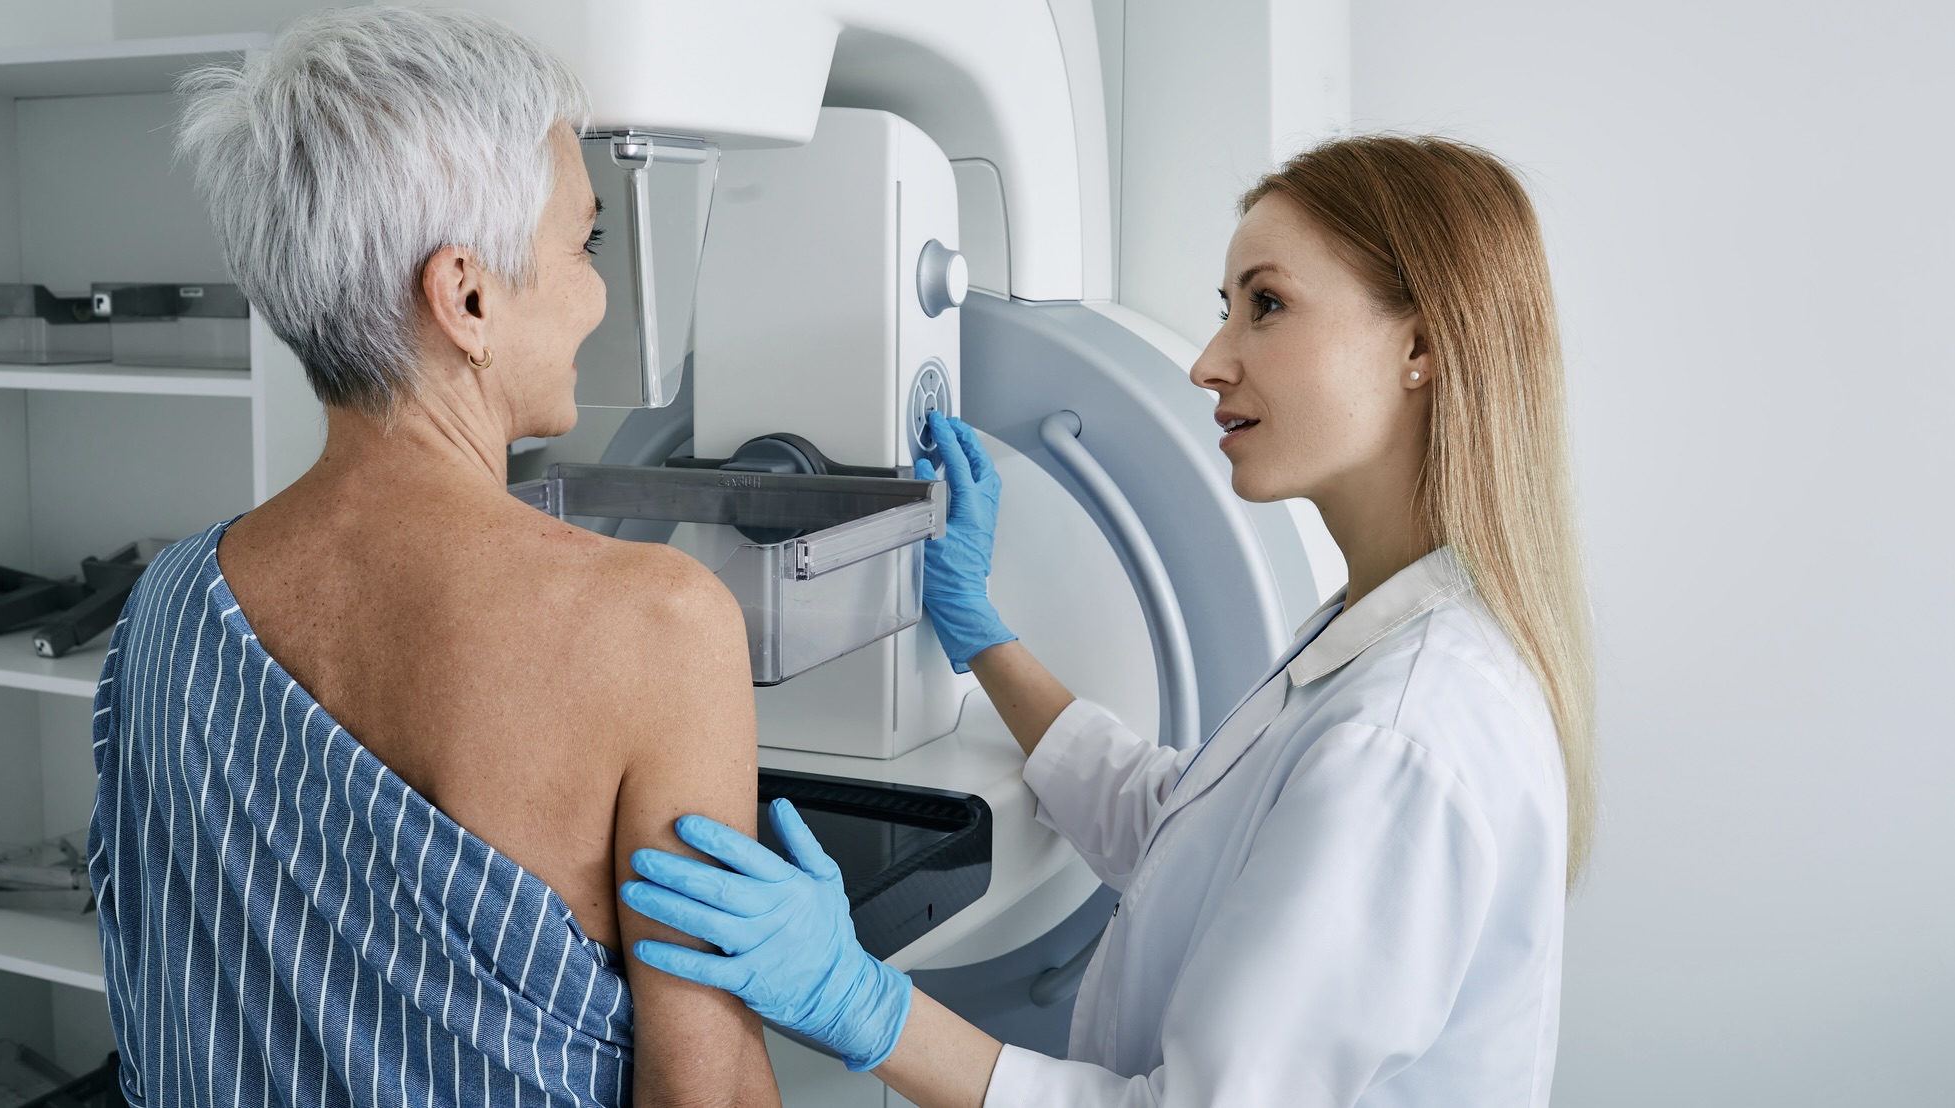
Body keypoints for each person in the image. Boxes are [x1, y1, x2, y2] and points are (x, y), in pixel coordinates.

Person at [621, 135, 1595, 1106]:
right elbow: (1184, 835)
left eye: (1268, 305)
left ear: (1420, 346)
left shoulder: (1401, 735)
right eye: (1227, 311)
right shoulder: (1382, 630)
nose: (1210, 362)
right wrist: (977, 628)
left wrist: (862, 1002)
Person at [87, 9, 777, 1106]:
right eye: (584, 245)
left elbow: (152, 986)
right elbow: (709, 1092)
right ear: (466, 295)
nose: (598, 292)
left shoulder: (167, 604)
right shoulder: (660, 624)